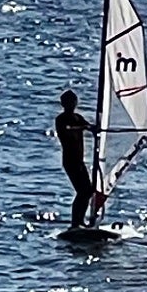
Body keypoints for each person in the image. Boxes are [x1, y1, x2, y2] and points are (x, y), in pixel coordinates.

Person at [55, 90, 100, 235]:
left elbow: (90, 127)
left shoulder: (78, 118)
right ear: (63, 104)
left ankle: (81, 221)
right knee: (82, 191)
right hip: (70, 161)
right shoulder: (61, 119)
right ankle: (75, 223)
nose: (71, 105)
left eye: (73, 102)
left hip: (79, 161)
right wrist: (84, 127)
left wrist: (97, 128)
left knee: (88, 191)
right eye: (68, 102)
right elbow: (67, 130)